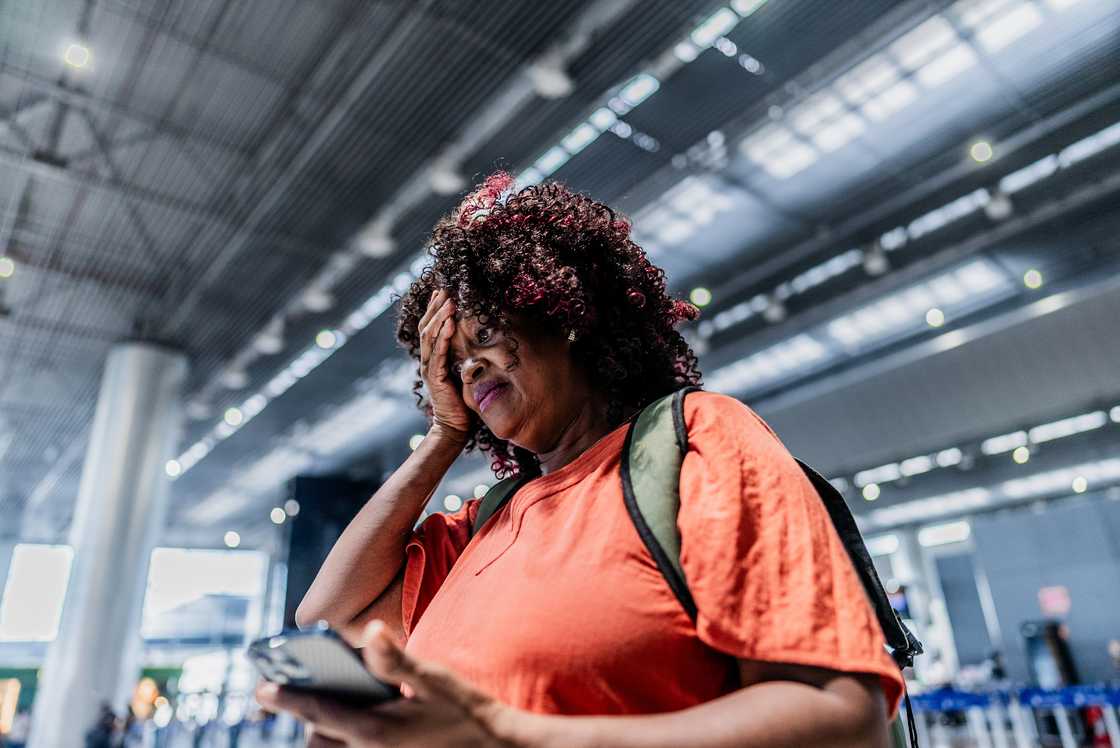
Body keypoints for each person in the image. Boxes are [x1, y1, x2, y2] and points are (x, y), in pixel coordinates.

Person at [259, 173, 904, 746]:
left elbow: (842, 720)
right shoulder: (487, 523)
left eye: (485, 333)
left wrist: (509, 736)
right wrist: (444, 433)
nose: (469, 365)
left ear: (564, 315)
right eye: (451, 363)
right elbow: (327, 615)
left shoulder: (695, 441)